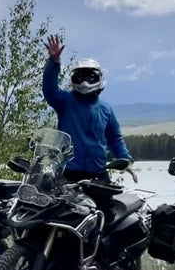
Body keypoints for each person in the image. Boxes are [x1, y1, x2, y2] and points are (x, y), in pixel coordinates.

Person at [42, 34, 131, 182]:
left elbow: (115, 138)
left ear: (98, 78)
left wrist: (125, 159)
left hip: (98, 173)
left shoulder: (105, 109)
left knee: (108, 205)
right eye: (80, 77)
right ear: (74, 79)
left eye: (89, 77)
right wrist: (54, 61)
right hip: (68, 173)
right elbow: (49, 89)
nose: (84, 81)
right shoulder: (65, 101)